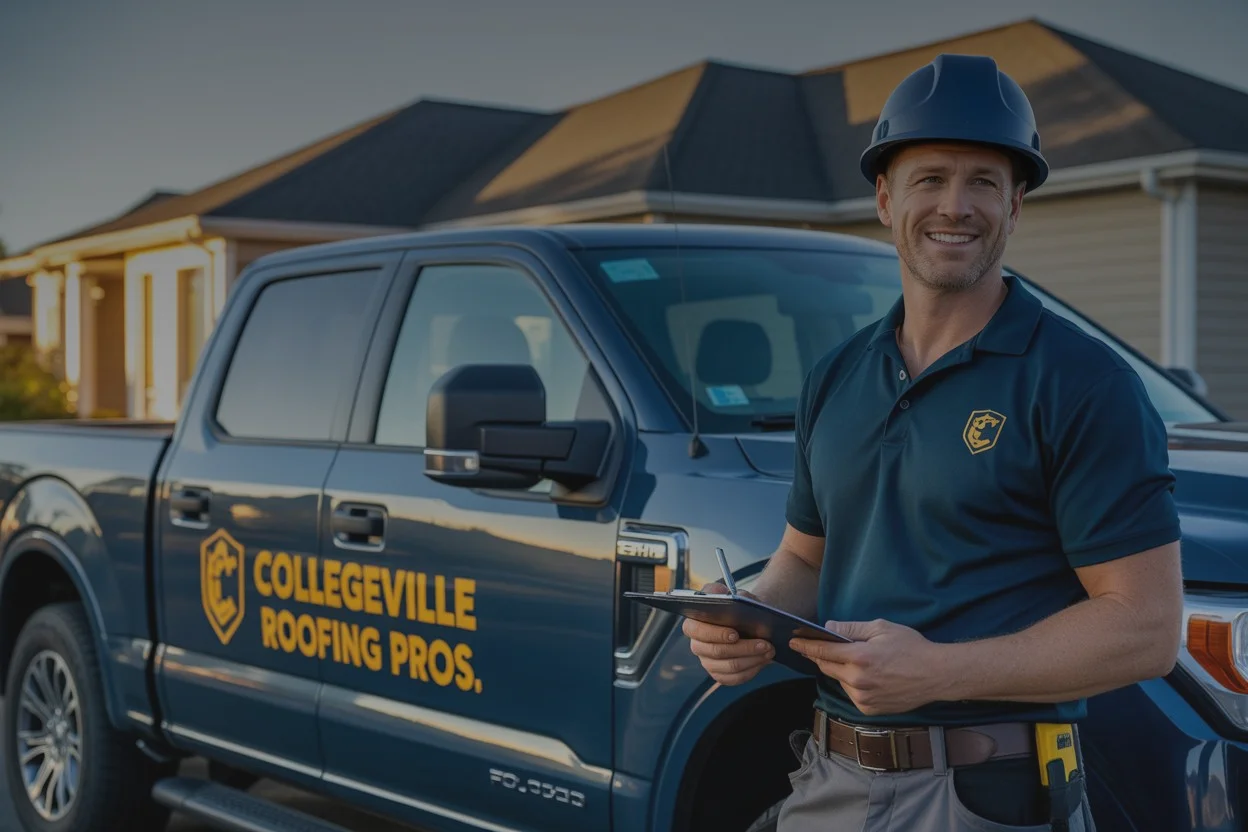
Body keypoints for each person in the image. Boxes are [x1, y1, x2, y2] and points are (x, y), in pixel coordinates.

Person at [682, 53, 1184, 831]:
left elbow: (1146, 628)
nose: (956, 206)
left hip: (991, 794)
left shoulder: (1081, 382)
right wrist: (743, 616)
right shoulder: (836, 378)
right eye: (931, 178)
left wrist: (938, 672)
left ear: (1016, 205)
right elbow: (805, 563)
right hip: (830, 779)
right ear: (886, 199)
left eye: (984, 181)